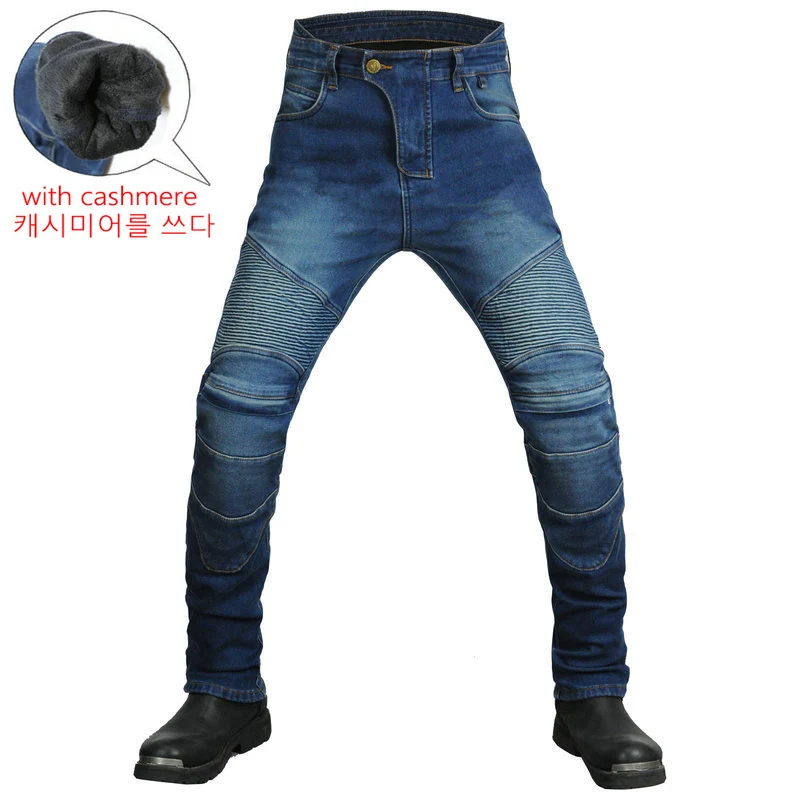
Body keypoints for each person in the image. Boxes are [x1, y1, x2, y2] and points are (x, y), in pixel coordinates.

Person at [134, 10, 666, 789]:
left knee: (571, 396)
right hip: (326, 126)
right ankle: (223, 689)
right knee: (239, 399)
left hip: (475, 123)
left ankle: (594, 689)